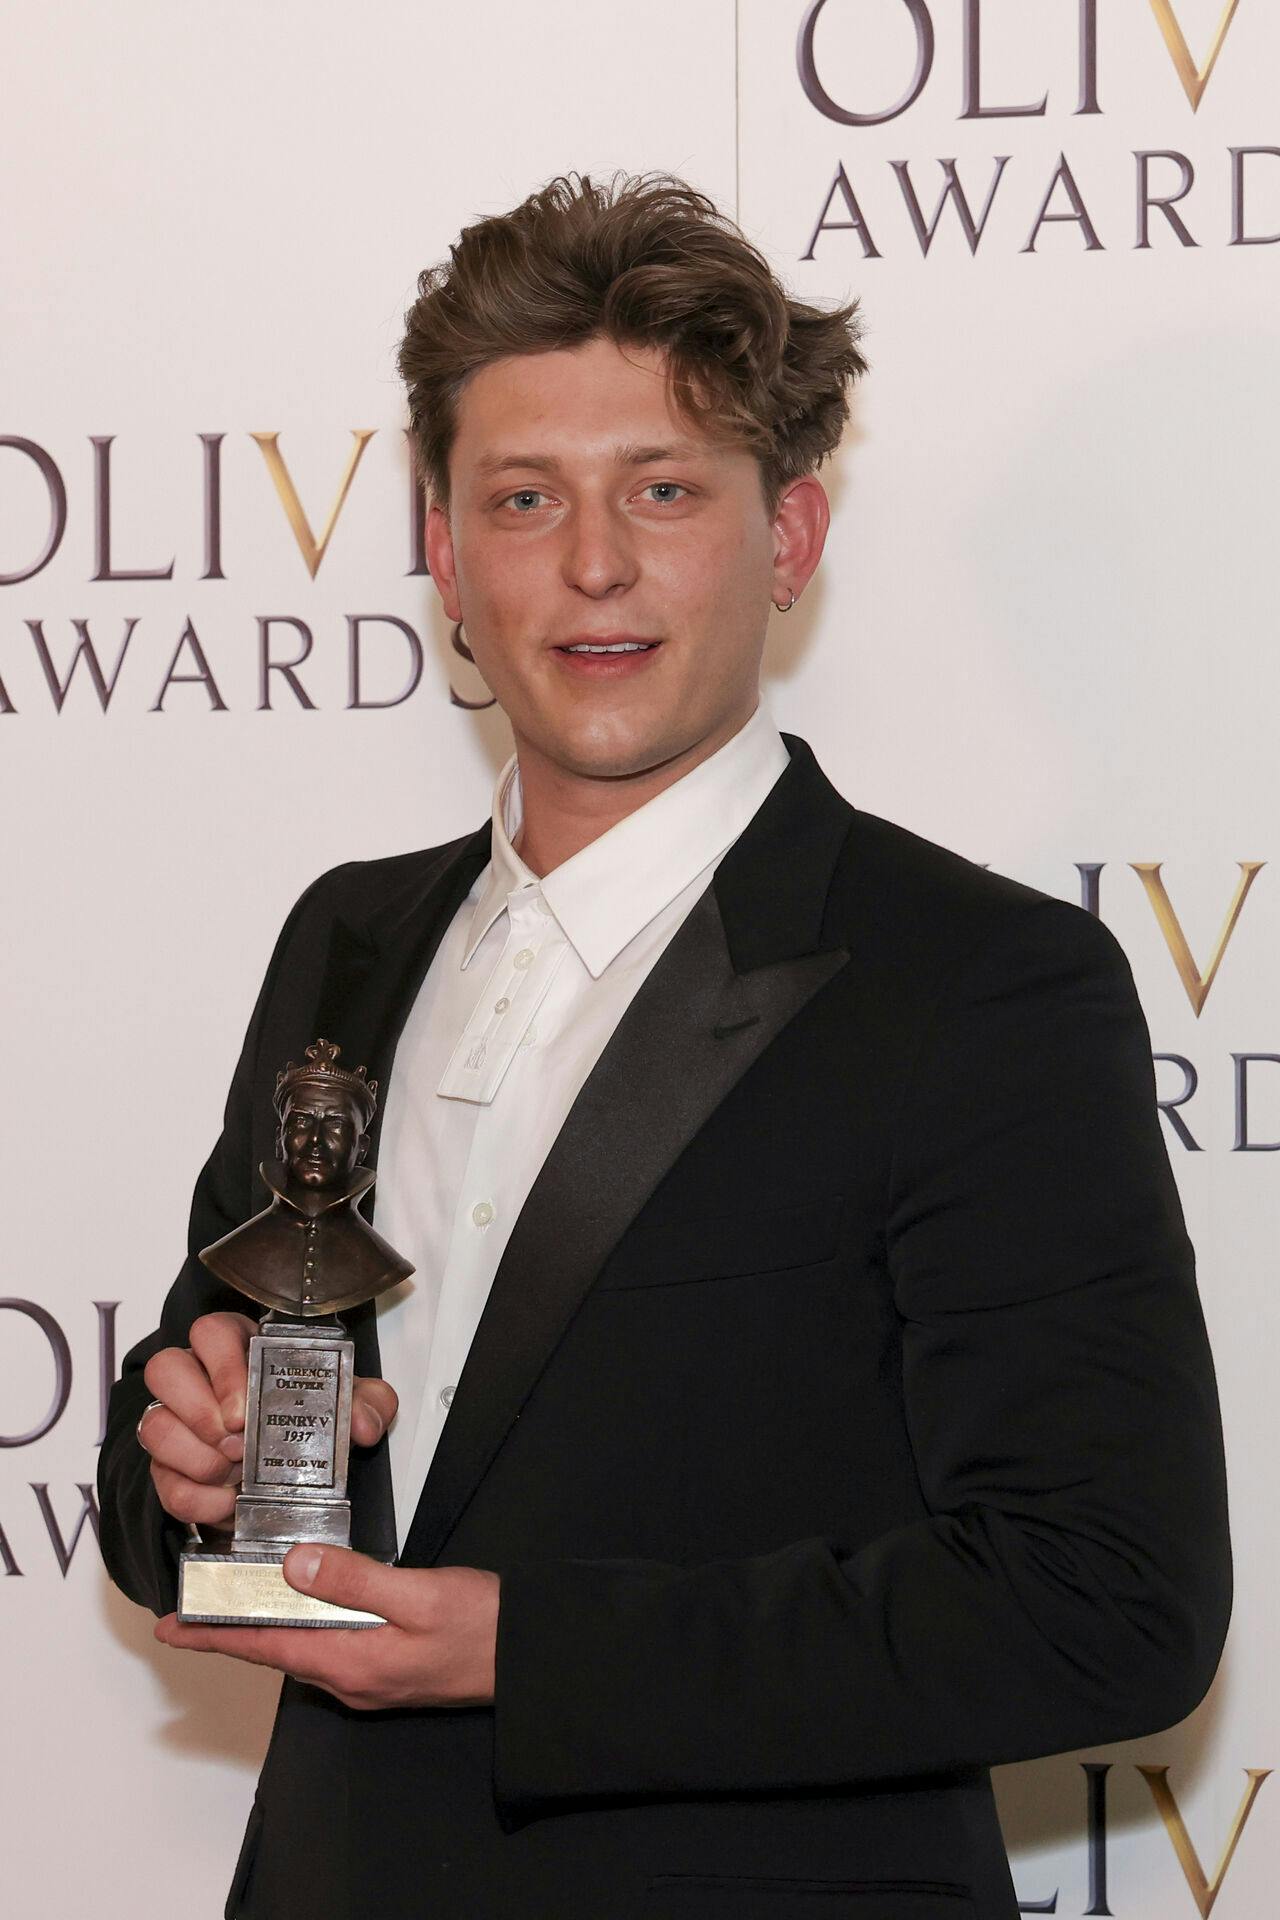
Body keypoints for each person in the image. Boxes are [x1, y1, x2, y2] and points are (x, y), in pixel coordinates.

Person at [98, 172, 1231, 1920]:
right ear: (444, 553)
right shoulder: (348, 938)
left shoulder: (983, 985)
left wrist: (526, 1651)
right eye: (526, 497)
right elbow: (205, 1436)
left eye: (665, 490)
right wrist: (186, 1457)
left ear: (787, 538)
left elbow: (1105, 1602)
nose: (596, 563)